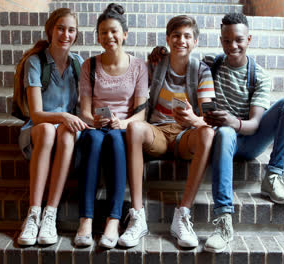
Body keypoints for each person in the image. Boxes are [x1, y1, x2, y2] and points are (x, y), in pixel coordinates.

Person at [202, 13, 284, 252]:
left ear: (249, 39)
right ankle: (224, 221)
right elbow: (181, 61)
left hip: (250, 139)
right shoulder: (211, 66)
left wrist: (232, 121)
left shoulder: (259, 75)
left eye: (238, 40)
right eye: (226, 41)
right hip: (224, 141)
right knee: (225, 133)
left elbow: (256, 124)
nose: (232, 46)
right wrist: (159, 55)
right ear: (221, 40)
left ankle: (273, 176)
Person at [118, 15, 215, 249]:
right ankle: (137, 215)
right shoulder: (154, 64)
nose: (181, 40)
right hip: (158, 132)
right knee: (134, 128)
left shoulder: (202, 71)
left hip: (185, 136)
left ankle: (182, 215)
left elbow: (209, 118)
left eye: (187, 36)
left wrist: (194, 119)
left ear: (196, 41)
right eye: (176, 35)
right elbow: (137, 95)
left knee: (208, 133)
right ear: (168, 39)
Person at [73, 3, 149, 249]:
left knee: (117, 140)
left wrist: (122, 122)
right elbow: (84, 110)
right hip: (95, 125)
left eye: (114, 31)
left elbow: (141, 113)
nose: (109, 37)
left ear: (125, 34)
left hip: (124, 126)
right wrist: (93, 120)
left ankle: (114, 220)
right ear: (98, 36)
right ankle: (85, 219)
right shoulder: (89, 65)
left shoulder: (139, 66)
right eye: (103, 32)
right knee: (94, 140)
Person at [16, 8, 88, 246]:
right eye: (60, 28)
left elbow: (83, 109)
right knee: (48, 130)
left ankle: (50, 213)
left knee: (68, 133)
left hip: (65, 134)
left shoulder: (78, 63)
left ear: (76, 34)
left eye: (71, 30)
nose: (65, 34)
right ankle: (34, 213)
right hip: (38, 131)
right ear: (50, 30)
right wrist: (64, 116)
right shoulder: (35, 62)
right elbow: (36, 115)